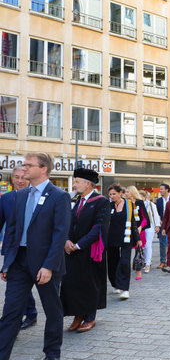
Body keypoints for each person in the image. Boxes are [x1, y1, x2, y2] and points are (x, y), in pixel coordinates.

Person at [0, 152, 71, 360]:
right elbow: (12, 231)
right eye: (23, 165)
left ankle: (52, 354)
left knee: (52, 311)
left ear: (43, 169)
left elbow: (60, 235)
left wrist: (48, 266)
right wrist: (7, 264)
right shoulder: (20, 195)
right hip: (19, 262)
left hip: (45, 263)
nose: (24, 169)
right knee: (11, 312)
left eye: (29, 165)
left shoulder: (59, 196)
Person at [61, 168, 111, 333]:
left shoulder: (101, 201)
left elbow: (98, 227)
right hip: (71, 250)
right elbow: (67, 221)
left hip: (89, 251)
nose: (74, 185)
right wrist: (67, 241)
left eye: (77, 182)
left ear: (88, 184)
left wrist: (79, 245)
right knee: (73, 284)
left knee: (89, 284)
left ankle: (90, 317)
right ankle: (78, 315)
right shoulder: (75, 199)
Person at [0, 166, 38, 331]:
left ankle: (30, 313)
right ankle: (24, 316)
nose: (20, 181)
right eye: (16, 177)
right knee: (16, 285)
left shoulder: (37, 197)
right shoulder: (6, 198)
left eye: (23, 177)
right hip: (13, 249)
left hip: (35, 249)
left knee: (32, 284)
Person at [107, 184, 141, 300]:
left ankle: (125, 289)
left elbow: (133, 223)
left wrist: (138, 239)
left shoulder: (130, 204)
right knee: (112, 263)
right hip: (111, 238)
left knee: (125, 262)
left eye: (114, 194)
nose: (112, 196)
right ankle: (115, 284)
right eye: (110, 194)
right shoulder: (108, 205)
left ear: (120, 193)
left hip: (126, 238)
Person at [125, 186, 150, 280]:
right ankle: (128, 268)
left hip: (139, 229)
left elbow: (145, 217)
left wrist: (140, 227)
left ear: (132, 192)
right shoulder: (125, 202)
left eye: (127, 192)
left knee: (139, 250)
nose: (126, 193)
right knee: (127, 249)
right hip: (129, 229)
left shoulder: (139, 202)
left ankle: (139, 271)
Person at [155, 184, 170, 269]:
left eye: (161, 189)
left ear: (166, 190)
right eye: (160, 189)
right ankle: (163, 261)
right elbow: (157, 213)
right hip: (162, 225)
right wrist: (158, 222)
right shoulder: (158, 201)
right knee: (162, 243)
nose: (160, 191)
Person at [140, 191, 160, 273]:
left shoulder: (151, 205)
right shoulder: (136, 205)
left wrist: (157, 225)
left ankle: (147, 264)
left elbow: (155, 215)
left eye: (141, 197)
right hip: (140, 227)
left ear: (144, 197)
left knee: (148, 244)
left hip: (150, 226)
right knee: (142, 246)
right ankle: (145, 261)